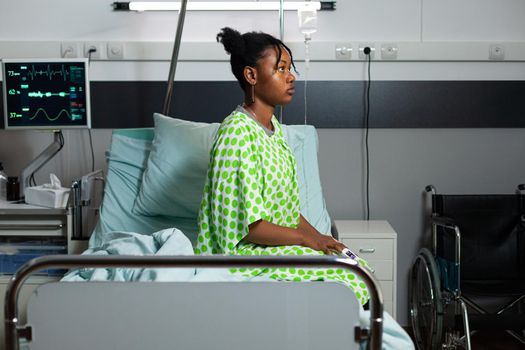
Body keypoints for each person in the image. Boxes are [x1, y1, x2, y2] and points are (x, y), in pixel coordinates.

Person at [195, 27, 370, 306]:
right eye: (280, 69)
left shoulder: (274, 130)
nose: (291, 77)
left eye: (290, 68)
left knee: (356, 268)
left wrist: (322, 238)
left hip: (274, 248)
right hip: (243, 257)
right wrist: (306, 240)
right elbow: (252, 228)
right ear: (251, 75)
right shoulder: (236, 134)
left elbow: (286, 211)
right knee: (346, 282)